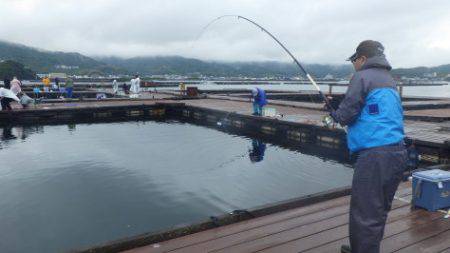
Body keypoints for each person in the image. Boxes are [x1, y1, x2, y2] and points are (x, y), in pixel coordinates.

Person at [327, 40, 407, 253]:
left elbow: (345, 116)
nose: (353, 64)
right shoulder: (389, 80)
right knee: (378, 210)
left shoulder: (361, 76)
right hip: (398, 152)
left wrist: (332, 111)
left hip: (374, 156)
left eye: (354, 59)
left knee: (364, 213)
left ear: (362, 59)